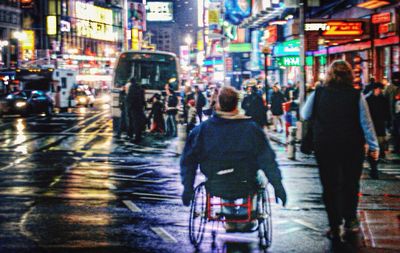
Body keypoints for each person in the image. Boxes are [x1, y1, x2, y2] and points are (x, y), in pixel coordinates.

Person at [180, 86, 287, 230]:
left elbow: (188, 160)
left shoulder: (202, 130)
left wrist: (188, 188)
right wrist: (278, 187)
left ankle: (229, 215)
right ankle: (246, 214)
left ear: (218, 103)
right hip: (246, 181)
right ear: (237, 104)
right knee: (259, 179)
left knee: (223, 173)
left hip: (215, 181)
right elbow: (268, 161)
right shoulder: (251, 129)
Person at [301, 60, 379, 250]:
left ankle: (334, 225)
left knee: (330, 185)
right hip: (351, 146)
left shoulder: (318, 93)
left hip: (325, 145)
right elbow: (366, 122)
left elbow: (304, 114)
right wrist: (373, 145)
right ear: (349, 76)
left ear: (329, 74)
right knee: (350, 183)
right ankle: (350, 220)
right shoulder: (356, 96)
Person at [366, 82, 390, 161]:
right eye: (379, 89)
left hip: (380, 122)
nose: (380, 91)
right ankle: (373, 154)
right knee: (374, 138)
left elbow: (387, 110)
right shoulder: (369, 99)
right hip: (372, 122)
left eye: (380, 89)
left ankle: (380, 154)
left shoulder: (383, 99)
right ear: (375, 89)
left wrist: (387, 120)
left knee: (381, 139)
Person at [126, 79, 147, 143]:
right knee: (138, 123)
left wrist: (129, 107)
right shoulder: (140, 88)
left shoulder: (132, 88)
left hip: (133, 108)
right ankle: (138, 136)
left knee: (133, 122)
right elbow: (143, 99)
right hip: (139, 108)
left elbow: (129, 98)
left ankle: (134, 137)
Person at [384, 71, 400, 154]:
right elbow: (385, 101)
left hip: (395, 114)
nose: (396, 80)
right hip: (392, 114)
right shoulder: (389, 88)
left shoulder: (389, 88)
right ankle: (396, 147)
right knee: (395, 132)